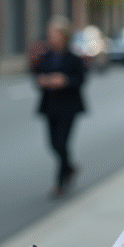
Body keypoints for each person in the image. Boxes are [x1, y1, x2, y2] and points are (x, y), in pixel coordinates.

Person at [33, 16, 87, 197]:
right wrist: (43, 80)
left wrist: (64, 81)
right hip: (50, 105)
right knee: (53, 144)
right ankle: (70, 167)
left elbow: (80, 79)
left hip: (68, 106)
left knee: (62, 142)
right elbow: (37, 75)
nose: (51, 37)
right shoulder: (45, 56)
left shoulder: (73, 57)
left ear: (63, 36)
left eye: (54, 33)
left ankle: (60, 183)